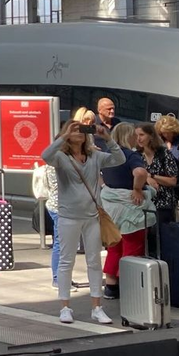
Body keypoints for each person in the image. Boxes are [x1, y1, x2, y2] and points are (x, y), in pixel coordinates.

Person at [41, 117, 123, 325]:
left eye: (81, 129)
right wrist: (64, 137)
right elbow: (45, 156)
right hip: (68, 216)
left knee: (94, 261)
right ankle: (65, 307)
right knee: (66, 261)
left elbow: (119, 159)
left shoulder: (95, 155)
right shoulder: (61, 157)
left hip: (92, 216)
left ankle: (97, 307)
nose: (78, 132)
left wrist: (107, 137)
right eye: (74, 129)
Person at [99, 123, 153, 300]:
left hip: (110, 206)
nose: (136, 139)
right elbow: (140, 172)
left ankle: (110, 287)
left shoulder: (107, 156)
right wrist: (137, 189)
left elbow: (98, 176)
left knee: (114, 247)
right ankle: (129, 285)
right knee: (132, 246)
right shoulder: (131, 155)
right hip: (130, 207)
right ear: (128, 136)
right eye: (134, 135)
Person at [136, 121, 179, 225]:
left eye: (141, 135)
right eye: (136, 135)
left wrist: (151, 176)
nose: (138, 138)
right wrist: (146, 178)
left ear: (151, 136)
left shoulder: (164, 153)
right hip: (143, 204)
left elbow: (173, 181)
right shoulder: (136, 155)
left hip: (163, 204)